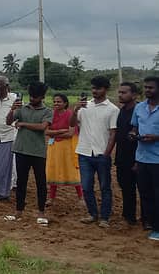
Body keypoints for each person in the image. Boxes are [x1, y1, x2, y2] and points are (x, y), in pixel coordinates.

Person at [71, 76, 119, 228]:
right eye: (93, 88)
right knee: (86, 186)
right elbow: (72, 124)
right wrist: (75, 109)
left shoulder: (112, 109)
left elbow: (113, 134)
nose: (94, 91)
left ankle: (104, 217)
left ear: (106, 89)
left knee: (105, 187)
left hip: (101, 154)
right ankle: (92, 214)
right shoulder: (85, 106)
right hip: (84, 152)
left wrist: (106, 154)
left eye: (98, 88)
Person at [3, 81, 53, 226]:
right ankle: (18, 211)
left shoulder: (47, 111)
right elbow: (8, 122)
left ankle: (41, 212)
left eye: (35, 97)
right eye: (31, 96)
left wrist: (23, 124)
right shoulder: (22, 108)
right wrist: (12, 110)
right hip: (21, 150)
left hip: (38, 151)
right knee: (21, 182)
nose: (32, 99)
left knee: (40, 182)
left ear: (42, 97)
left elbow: (42, 127)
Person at [131, 76, 159, 240]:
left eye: (151, 88)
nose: (147, 90)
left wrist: (156, 138)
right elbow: (135, 127)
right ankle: (151, 223)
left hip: (157, 160)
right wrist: (133, 134)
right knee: (146, 193)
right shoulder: (139, 107)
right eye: (146, 87)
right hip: (142, 158)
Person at [44, 94, 84, 206]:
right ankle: (51, 198)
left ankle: (81, 197)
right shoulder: (51, 114)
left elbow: (71, 133)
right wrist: (61, 131)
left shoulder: (70, 114)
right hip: (54, 146)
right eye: (55, 101)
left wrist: (55, 132)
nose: (56, 104)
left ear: (65, 103)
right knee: (53, 169)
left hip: (68, 147)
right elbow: (46, 132)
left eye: (59, 102)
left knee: (72, 170)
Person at [116, 82, 141, 226]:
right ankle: (129, 217)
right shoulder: (122, 110)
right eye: (119, 92)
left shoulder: (140, 110)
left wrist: (137, 161)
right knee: (126, 188)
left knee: (144, 189)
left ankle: (148, 219)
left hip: (139, 157)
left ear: (134, 95)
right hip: (122, 156)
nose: (120, 95)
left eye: (124, 92)